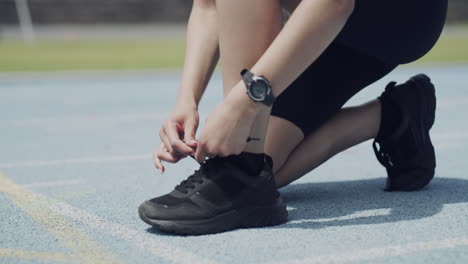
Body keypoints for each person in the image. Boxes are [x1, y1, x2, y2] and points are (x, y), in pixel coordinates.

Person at [138, 0, 448, 235]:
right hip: (322, 24)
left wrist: (244, 103)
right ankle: (396, 114)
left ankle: (238, 171)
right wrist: (186, 100)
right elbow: (208, 6)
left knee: (245, 166)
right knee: (266, 166)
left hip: (396, 17)